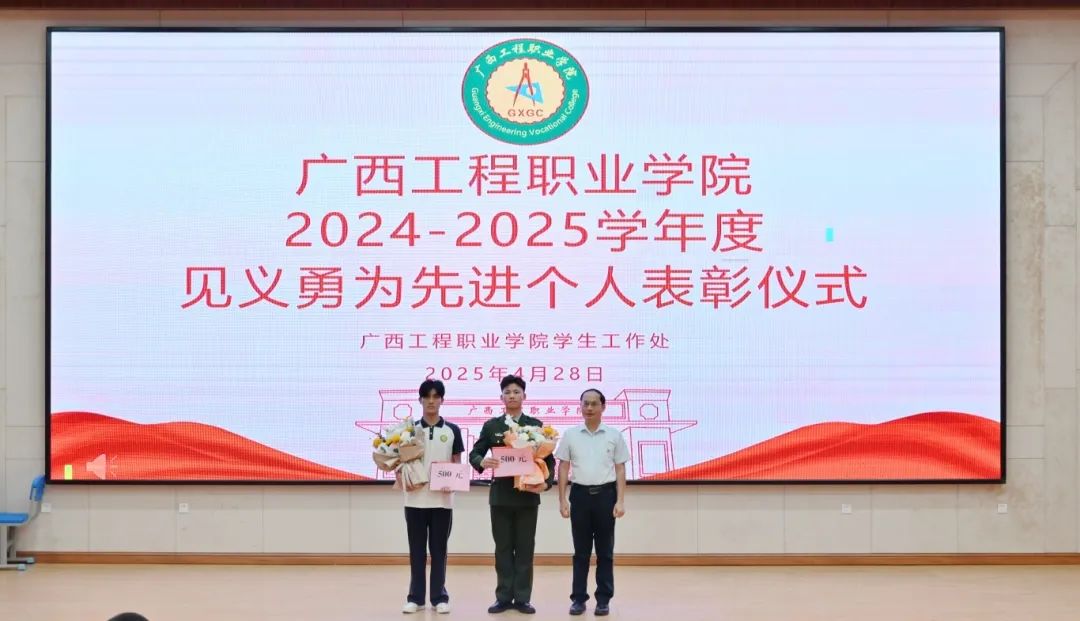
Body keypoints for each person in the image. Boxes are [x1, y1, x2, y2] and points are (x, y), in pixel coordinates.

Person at [468, 375, 555, 615]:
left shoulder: (535, 425)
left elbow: (549, 460)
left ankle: (523, 598)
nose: (512, 396)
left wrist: (547, 484)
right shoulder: (492, 426)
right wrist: (482, 461)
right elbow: (474, 454)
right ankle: (504, 597)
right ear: (501, 397)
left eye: (517, 392)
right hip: (501, 496)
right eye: (507, 392)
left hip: (528, 495)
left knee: (525, 548)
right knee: (503, 548)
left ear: (524, 396)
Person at [555, 388, 629, 617]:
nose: (589, 408)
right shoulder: (570, 434)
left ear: (603, 407)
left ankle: (603, 600)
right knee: (581, 552)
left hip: (606, 496)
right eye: (585, 403)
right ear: (580, 406)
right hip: (580, 496)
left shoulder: (614, 435)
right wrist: (562, 500)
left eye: (594, 404)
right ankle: (578, 599)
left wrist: (620, 501)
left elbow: (620, 469)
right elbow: (563, 467)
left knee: (605, 551)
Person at [400, 379, 464, 614]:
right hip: (414, 500)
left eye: (436, 396)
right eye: (427, 396)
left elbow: (457, 462)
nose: (431, 401)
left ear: (442, 400)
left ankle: (439, 597)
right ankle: (415, 598)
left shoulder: (452, 430)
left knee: (439, 551)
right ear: (420, 400)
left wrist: (453, 482)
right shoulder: (408, 430)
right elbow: (400, 461)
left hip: (442, 502)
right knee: (416, 551)